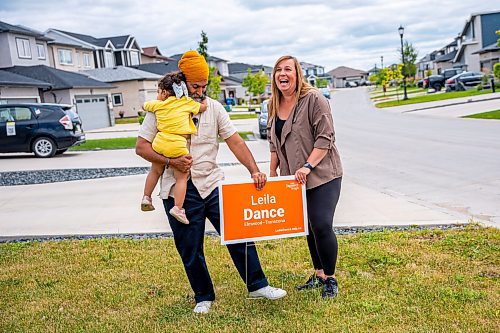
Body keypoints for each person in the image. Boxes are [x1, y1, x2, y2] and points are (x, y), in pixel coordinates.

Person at [136, 50, 286, 314]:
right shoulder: (161, 109)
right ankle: (203, 296)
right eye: (196, 86)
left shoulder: (214, 108)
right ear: (182, 83)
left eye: (204, 86)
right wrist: (171, 162)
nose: (200, 91)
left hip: (212, 184)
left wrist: (254, 170)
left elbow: (235, 141)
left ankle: (258, 285)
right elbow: (141, 147)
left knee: (239, 234)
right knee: (190, 247)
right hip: (177, 190)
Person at [267, 55, 343, 299]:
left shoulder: (314, 99)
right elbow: (274, 143)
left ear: (297, 73)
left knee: (321, 224)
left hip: (323, 174)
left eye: (287, 69)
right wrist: (272, 173)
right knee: (308, 228)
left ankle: (330, 279)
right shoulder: (273, 104)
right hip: (293, 180)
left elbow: (326, 137)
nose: (282, 74)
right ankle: (319, 274)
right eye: (278, 70)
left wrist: (308, 166)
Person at [141, 71, 207, 226]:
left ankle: (146, 197)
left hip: (160, 142)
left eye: (158, 92)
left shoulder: (158, 104)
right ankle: (178, 208)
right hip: (177, 144)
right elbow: (202, 108)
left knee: (155, 170)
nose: (158, 95)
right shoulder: (186, 103)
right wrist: (203, 101)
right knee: (182, 176)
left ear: (164, 93)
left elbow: (144, 106)